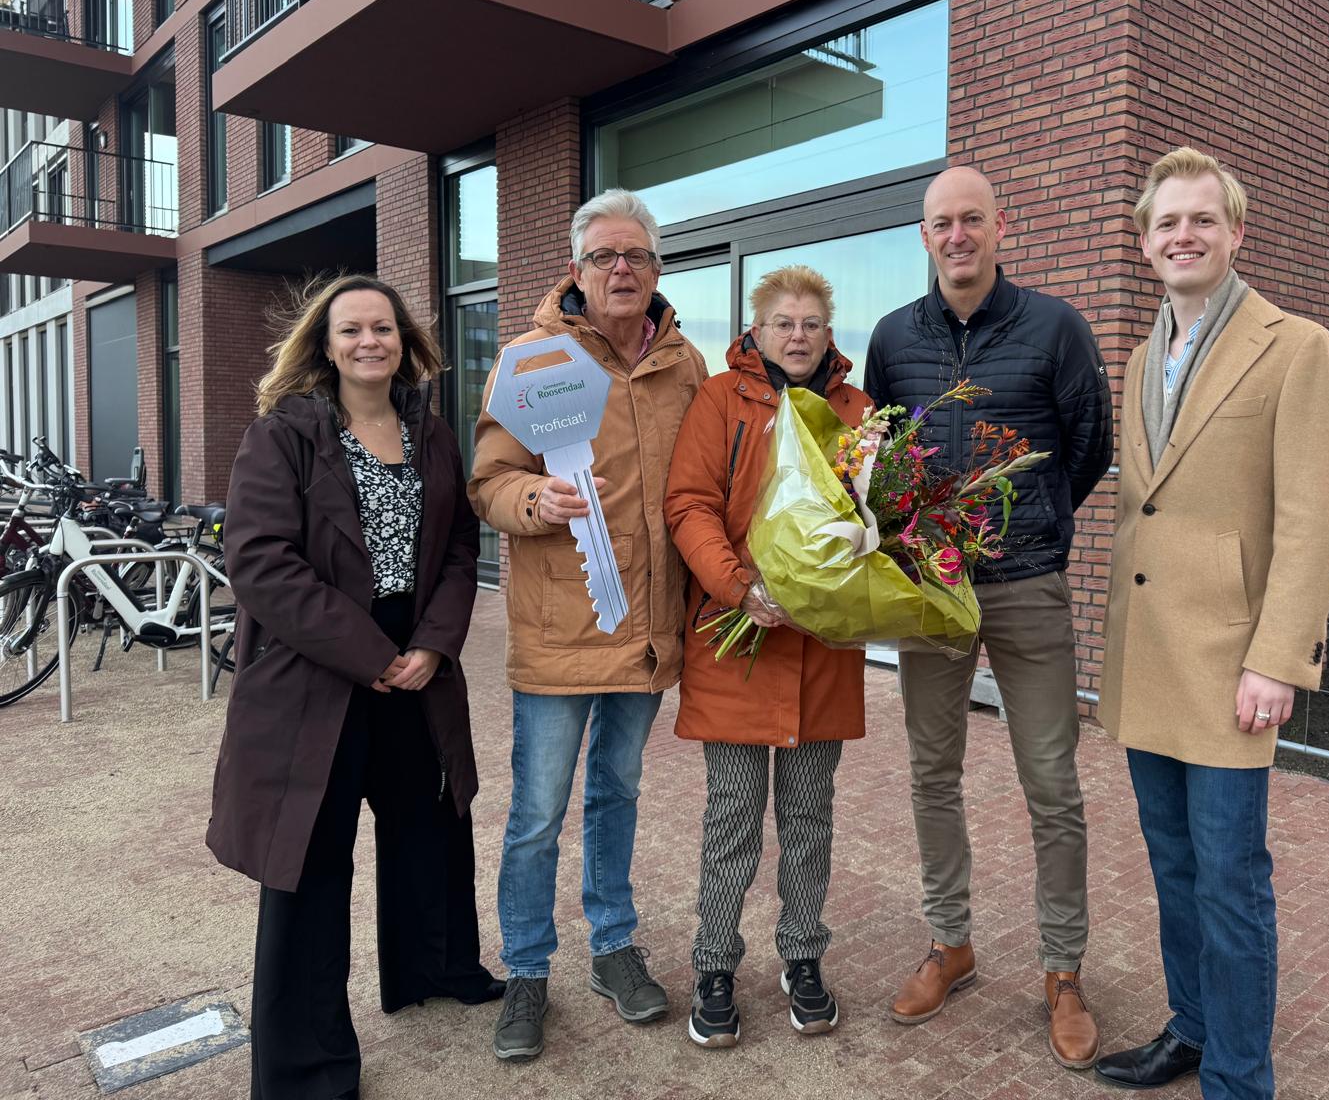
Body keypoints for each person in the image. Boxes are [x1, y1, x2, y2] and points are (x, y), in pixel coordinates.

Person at [1094, 148, 1329, 1097]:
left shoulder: (1297, 348)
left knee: (1231, 882)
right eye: (1166, 223)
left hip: (1232, 666)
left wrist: (1278, 659)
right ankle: (1194, 1030)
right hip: (1149, 656)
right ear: (1145, 243)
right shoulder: (1140, 359)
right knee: (1173, 867)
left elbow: (1316, 519)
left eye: (1202, 219)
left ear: (1236, 232)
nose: (1184, 236)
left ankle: (1240, 1079)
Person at [207, 274, 501, 1100]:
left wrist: (433, 643)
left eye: (384, 328)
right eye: (352, 330)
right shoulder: (283, 434)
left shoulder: (430, 433)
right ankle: (307, 1067)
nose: (370, 341)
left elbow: (458, 548)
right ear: (326, 346)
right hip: (320, 668)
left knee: (431, 823)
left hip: (419, 663)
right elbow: (260, 562)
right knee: (310, 862)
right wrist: (370, 653)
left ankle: (434, 967)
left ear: (406, 343)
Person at [863, 165, 1113, 1068]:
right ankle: (951, 944)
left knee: (1052, 782)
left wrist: (1035, 521)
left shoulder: (1056, 327)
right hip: (931, 590)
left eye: (972, 219)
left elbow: (1088, 448)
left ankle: (1063, 970)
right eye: (943, 223)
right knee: (933, 771)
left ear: (1000, 226)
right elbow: (882, 455)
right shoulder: (893, 337)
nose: (958, 236)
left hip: (1026, 584)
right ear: (924, 236)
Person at [470, 188, 708, 1062]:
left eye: (636, 256)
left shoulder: (685, 363)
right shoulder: (533, 360)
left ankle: (613, 947)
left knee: (619, 794)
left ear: (656, 268)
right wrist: (538, 497)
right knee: (537, 812)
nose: (621, 269)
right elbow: (488, 482)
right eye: (604, 256)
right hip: (560, 630)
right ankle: (527, 969)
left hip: (646, 625)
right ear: (576, 269)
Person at [664, 265, 871, 1050]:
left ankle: (802, 955)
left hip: (820, 651)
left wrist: (851, 570)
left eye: (810, 324)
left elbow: (879, 517)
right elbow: (689, 504)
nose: (797, 335)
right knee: (732, 819)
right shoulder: (721, 400)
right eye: (783, 322)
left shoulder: (857, 412)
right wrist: (738, 587)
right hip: (736, 644)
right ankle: (715, 964)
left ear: (829, 334)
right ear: (756, 330)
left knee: (810, 819)